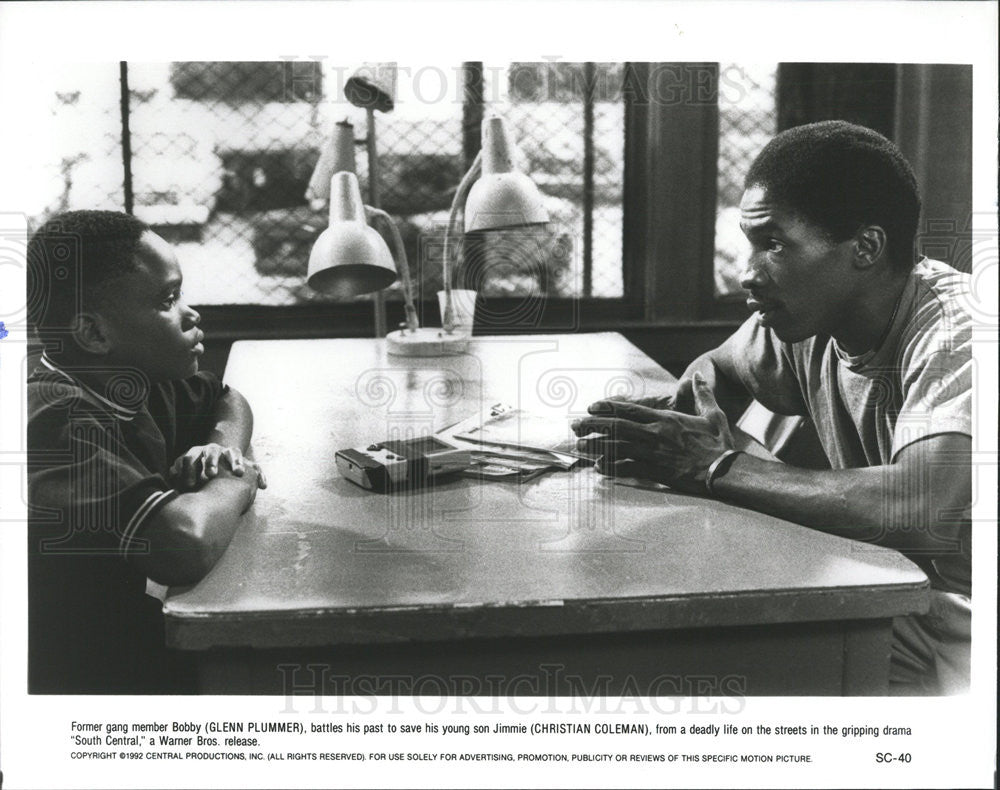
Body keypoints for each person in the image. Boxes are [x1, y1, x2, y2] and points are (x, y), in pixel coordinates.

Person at [572, 121, 972, 695]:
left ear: (866, 247)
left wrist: (712, 465)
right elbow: (720, 366)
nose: (748, 272)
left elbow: (917, 503)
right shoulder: (806, 313)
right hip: (900, 594)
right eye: (751, 243)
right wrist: (677, 422)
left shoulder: (960, 331)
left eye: (775, 244)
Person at [26, 210, 267, 693]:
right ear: (94, 334)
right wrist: (236, 476)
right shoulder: (56, 422)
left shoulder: (132, 378)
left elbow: (227, 399)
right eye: (168, 300)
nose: (191, 314)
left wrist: (219, 448)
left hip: (121, 628)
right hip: (78, 673)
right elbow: (183, 545)